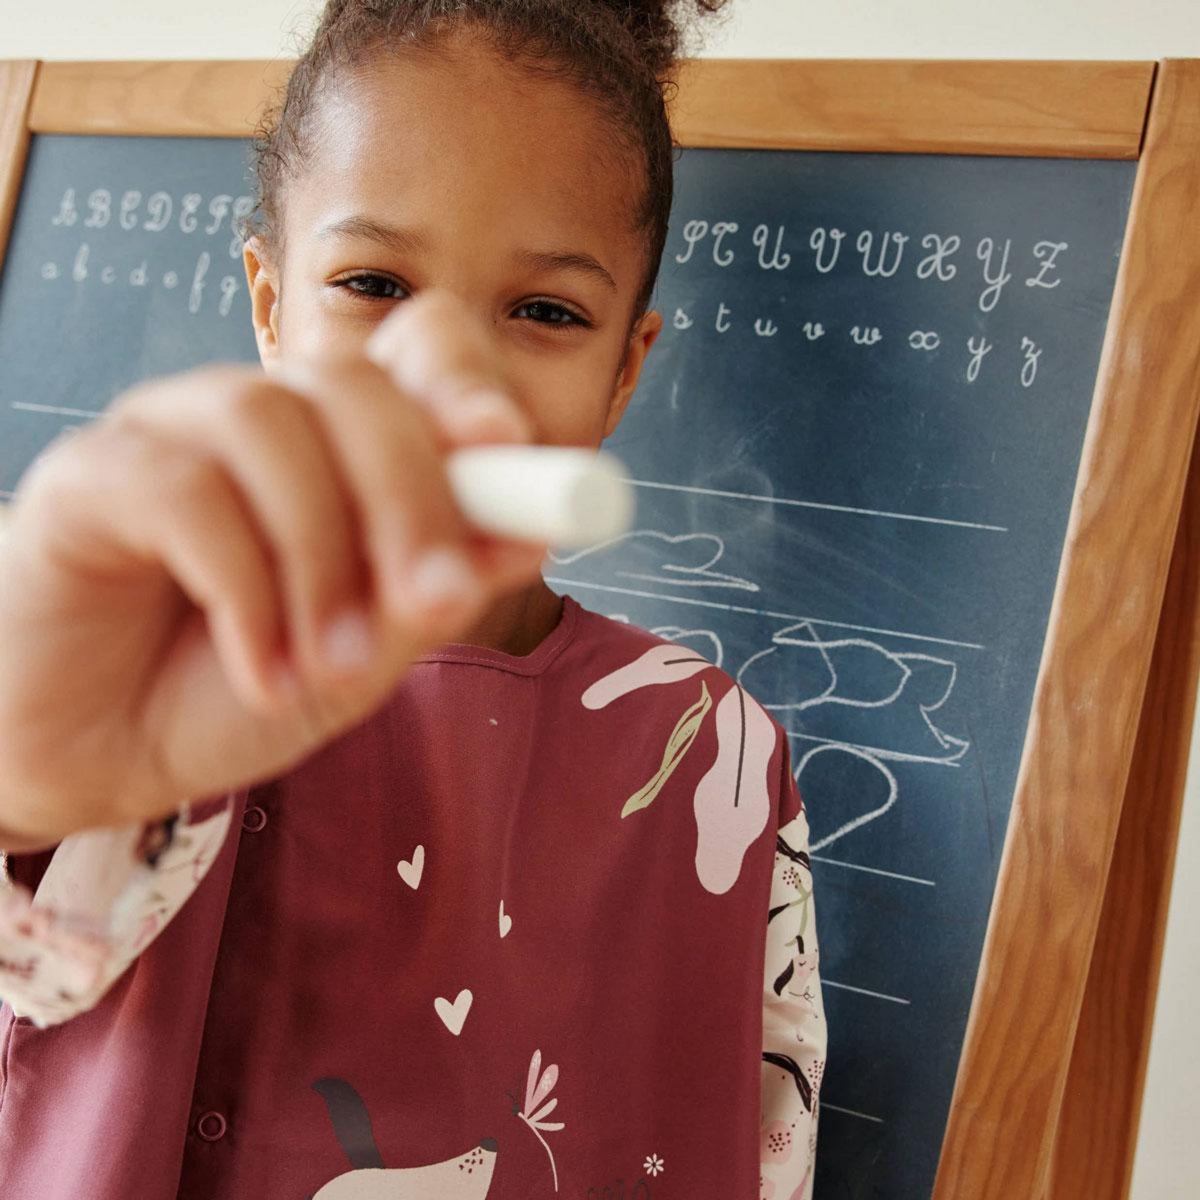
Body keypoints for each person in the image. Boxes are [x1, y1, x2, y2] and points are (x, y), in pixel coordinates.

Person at [0, 2, 826, 1196]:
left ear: (624, 370)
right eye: (374, 282)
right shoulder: (142, 655)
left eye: (546, 311)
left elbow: (759, 1132)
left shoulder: (708, 751)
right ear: (271, 305)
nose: (450, 370)